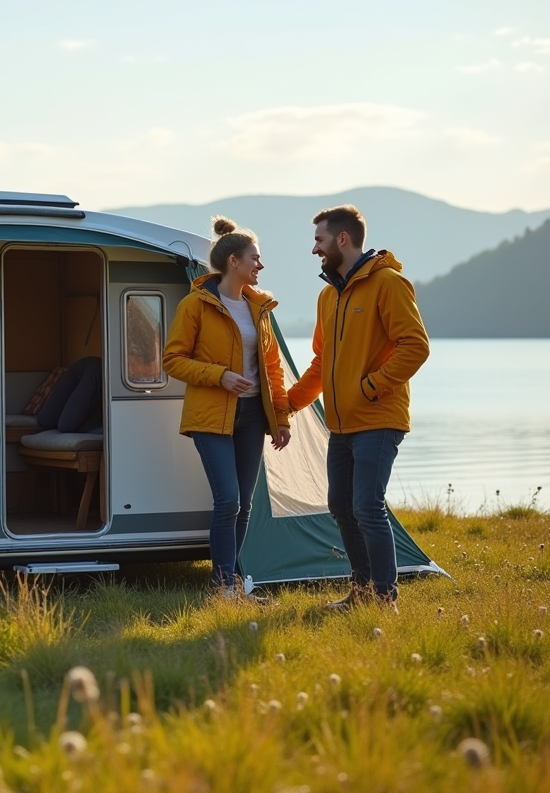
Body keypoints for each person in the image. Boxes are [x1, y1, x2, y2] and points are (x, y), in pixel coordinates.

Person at [287, 205, 430, 612]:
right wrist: (290, 404)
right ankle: (363, 592)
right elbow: (321, 362)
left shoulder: (389, 284)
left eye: (319, 239)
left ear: (342, 239)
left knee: (367, 506)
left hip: (378, 419)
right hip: (341, 424)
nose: (315, 248)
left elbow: (415, 346)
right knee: (341, 508)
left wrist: (371, 386)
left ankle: (385, 599)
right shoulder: (327, 296)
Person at [163, 217, 291, 598]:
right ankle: (222, 586)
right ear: (233, 261)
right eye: (255, 258)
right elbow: (173, 360)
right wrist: (219, 376)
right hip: (210, 416)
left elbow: (272, 368)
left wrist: (280, 418)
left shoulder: (259, 309)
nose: (260, 266)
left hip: (252, 416)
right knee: (228, 500)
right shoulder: (195, 306)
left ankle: (233, 583)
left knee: (245, 505)